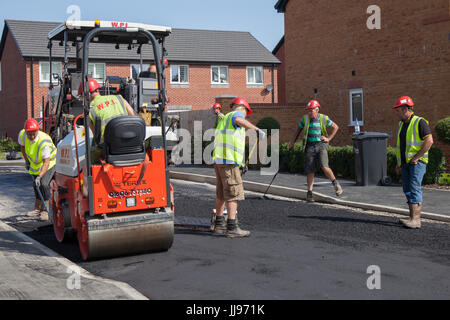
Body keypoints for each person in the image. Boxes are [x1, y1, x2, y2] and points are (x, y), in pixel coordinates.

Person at [212, 97, 266, 238]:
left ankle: (219, 224)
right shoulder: (237, 114)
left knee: (221, 194)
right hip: (228, 162)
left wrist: (240, 162)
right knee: (233, 192)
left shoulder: (224, 118)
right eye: (246, 112)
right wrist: (256, 129)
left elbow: (228, 139)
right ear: (242, 107)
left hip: (219, 160)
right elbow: (239, 118)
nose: (245, 115)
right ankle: (232, 227)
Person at [289, 99, 343, 202]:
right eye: (308, 110)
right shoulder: (305, 119)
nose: (309, 112)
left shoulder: (324, 118)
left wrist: (328, 138)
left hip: (321, 145)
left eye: (311, 110)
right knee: (310, 170)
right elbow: (297, 130)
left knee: (324, 166)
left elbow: (335, 127)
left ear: (317, 110)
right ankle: (309, 193)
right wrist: (292, 142)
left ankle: (336, 184)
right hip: (309, 146)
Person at [393, 96, 433, 229]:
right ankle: (411, 217)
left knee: (414, 188)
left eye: (398, 110)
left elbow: (429, 141)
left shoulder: (420, 122)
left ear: (405, 109)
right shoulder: (401, 124)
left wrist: (416, 157)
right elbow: (401, 146)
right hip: (405, 164)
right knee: (407, 189)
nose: (396, 113)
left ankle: (416, 220)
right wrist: (399, 163)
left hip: (417, 163)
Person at [79, 78, 136, 162]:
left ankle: (90, 173)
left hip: (110, 148)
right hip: (129, 142)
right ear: (98, 90)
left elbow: (96, 137)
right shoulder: (119, 98)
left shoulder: (89, 110)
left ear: (86, 95)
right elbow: (134, 116)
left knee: (90, 155)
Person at [18, 119, 57, 221]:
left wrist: (39, 176)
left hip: (50, 163)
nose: (31, 136)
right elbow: (22, 147)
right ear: (25, 131)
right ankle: (37, 209)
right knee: (35, 185)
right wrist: (27, 161)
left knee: (43, 184)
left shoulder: (44, 142)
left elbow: (46, 162)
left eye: (33, 133)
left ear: (38, 130)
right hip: (36, 163)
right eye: (29, 134)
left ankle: (45, 210)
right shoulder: (22, 134)